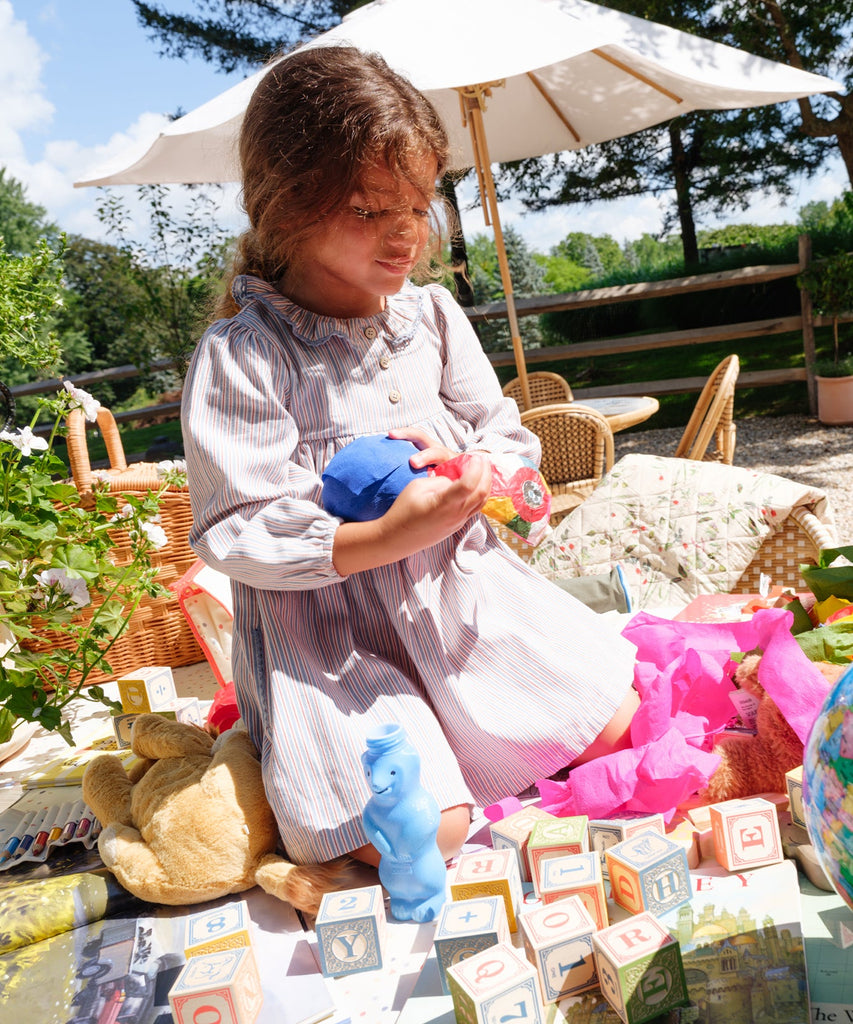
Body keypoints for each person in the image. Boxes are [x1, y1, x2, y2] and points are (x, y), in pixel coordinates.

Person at [181, 45, 639, 869]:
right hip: (333, 642)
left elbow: (504, 439)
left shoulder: (427, 317)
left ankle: (469, 734)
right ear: (284, 208)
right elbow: (237, 526)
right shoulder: (246, 352)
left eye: (419, 203)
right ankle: (395, 764)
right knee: (424, 830)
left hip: (462, 606)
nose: (406, 233)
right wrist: (382, 538)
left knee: (612, 719)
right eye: (367, 210)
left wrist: (479, 475)